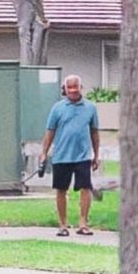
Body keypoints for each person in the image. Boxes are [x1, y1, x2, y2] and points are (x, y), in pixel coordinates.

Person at [42, 75, 102, 235]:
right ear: (65, 89)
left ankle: (83, 224)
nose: (73, 91)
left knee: (85, 188)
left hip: (83, 156)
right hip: (61, 156)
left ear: (81, 88)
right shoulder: (57, 108)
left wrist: (96, 155)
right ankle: (63, 225)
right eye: (70, 88)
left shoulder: (90, 108)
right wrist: (43, 153)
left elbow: (94, 133)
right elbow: (50, 132)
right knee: (61, 189)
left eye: (76, 87)